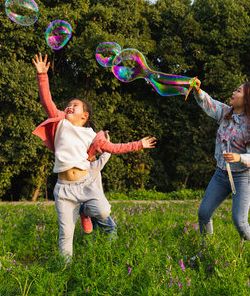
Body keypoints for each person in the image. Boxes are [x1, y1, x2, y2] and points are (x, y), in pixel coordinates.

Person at [31, 53, 156, 259]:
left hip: (86, 185)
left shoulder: (92, 135)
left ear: (85, 115)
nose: (69, 106)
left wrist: (138, 144)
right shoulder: (61, 122)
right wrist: (42, 76)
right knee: (66, 234)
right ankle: (65, 270)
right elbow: (47, 102)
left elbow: (114, 148)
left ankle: (85, 211)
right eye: (68, 104)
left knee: (104, 211)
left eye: (75, 105)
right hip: (63, 190)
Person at [192, 78, 250, 249]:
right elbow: (210, 104)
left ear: (248, 99)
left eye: (238, 90)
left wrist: (239, 157)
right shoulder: (226, 113)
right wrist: (198, 91)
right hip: (221, 174)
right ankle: (206, 252)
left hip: (244, 176)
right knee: (204, 213)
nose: (233, 92)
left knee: (239, 220)